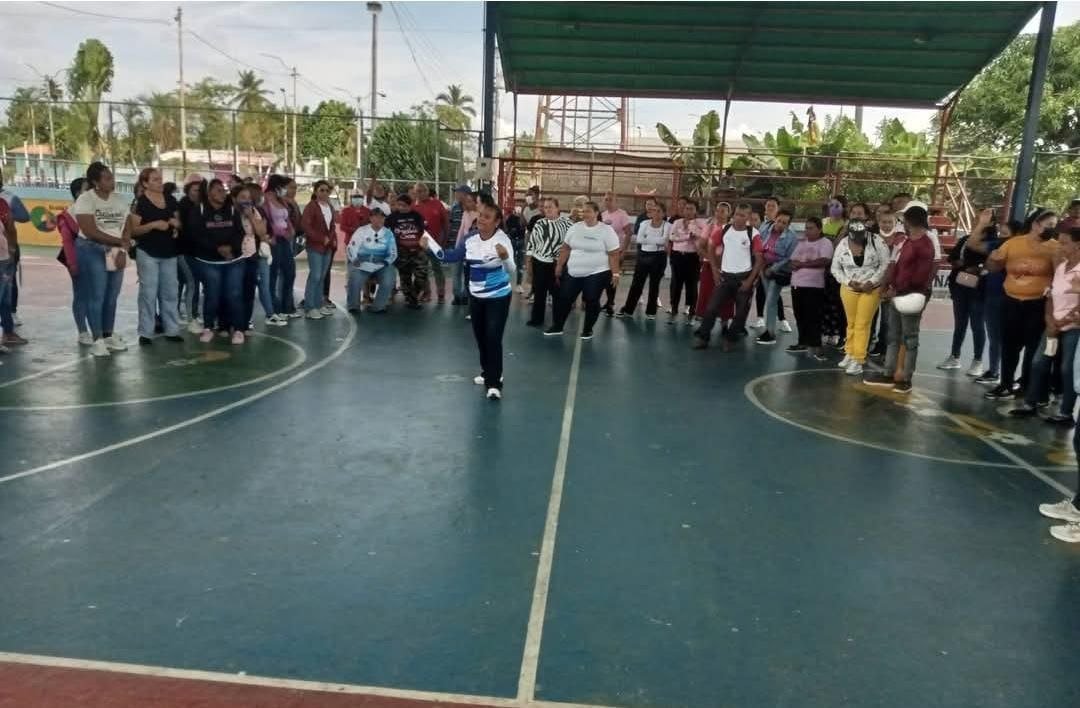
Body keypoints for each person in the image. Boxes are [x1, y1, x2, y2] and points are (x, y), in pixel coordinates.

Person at [425, 193, 516, 400]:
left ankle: (495, 383)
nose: (481, 219)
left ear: (497, 222)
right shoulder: (470, 240)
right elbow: (448, 257)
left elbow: (511, 269)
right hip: (476, 296)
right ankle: (487, 372)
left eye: (487, 217)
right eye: (481, 215)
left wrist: (504, 257)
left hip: (498, 296)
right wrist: (429, 247)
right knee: (481, 337)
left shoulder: (502, 240)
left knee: (493, 337)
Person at [983, 208, 1060, 400]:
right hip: (1011, 301)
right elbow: (993, 268)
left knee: (1033, 347)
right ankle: (1005, 384)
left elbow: (1061, 276)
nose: (1052, 229)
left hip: (1038, 304)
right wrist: (992, 259)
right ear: (1035, 224)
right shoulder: (1013, 243)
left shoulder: (1055, 247)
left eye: (1054, 226)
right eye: (1049, 225)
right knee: (1009, 345)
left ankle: (1026, 385)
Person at [1009, 227, 1080, 422]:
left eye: (1064, 243)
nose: (1060, 247)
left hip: (1073, 328)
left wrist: (1063, 321)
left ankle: (1066, 412)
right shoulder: (1061, 267)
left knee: (1067, 368)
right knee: (1039, 362)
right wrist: (1050, 321)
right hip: (1053, 326)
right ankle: (1030, 403)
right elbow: (1051, 296)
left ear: (1078, 245)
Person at [864, 205, 937, 393]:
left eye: (904, 220)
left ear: (911, 221)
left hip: (912, 295)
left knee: (909, 338)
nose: (902, 223)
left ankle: (905, 377)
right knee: (894, 336)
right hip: (899, 293)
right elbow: (895, 266)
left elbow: (920, 277)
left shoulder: (925, 244)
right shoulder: (907, 241)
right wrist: (887, 285)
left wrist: (895, 290)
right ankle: (889, 373)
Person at [72, 162, 131, 357]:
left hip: (116, 248)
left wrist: (123, 248)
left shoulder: (120, 199)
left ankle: (107, 335)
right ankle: (97, 339)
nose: (112, 181)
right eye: (107, 178)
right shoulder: (86, 199)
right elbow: (90, 231)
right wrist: (119, 242)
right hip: (91, 249)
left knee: (112, 296)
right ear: (96, 182)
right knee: (96, 295)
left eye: (112, 177)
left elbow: (127, 224)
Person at [691, 203, 763, 351]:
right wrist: (715, 270)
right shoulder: (724, 230)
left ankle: (730, 339)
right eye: (736, 214)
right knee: (711, 308)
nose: (738, 218)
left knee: (741, 313)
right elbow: (711, 246)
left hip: (743, 278)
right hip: (725, 276)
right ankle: (703, 337)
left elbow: (759, 259)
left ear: (748, 217)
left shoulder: (753, 234)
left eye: (742, 215)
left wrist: (750, 280)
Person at [546, 200, 620, 340]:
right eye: (583, 211)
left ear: (596, 213)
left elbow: (614, 253)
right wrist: (559, 265)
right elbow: (566, 248)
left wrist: (615, 273)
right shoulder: (575, 228)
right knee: (565, 298)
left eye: (588, 211)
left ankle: (587, 330)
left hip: (597, 272)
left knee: (591, 299)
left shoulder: (606, 230)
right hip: (573, 271)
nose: (585, 214)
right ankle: (558, 326)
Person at [129, 168, 183, 346]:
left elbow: (179, 223)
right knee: (148, 293)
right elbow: (134, 230)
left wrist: (176, 224)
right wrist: (152, 225)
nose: (160, 182)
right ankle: (146, 332)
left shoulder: (170, 200)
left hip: (169, 251)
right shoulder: (140, 203)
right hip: (148, 252)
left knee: (170, 292)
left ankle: (172, 329)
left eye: (160, 179)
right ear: (145, 183)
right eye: (155, 180)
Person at [830, 220, 891, 375]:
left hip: (871, 289)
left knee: (862, 324)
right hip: (849, 288)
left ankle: (858, 359)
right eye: (855, 237)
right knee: (851, 323)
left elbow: (886, 265)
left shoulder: (877, 241)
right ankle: (849, 352)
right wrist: (848, 282)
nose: (858, 239)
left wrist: (872, 282)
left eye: (861, 235)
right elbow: (835, 268)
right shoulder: (843, 244)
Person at [937, 211, 992, 376]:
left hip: (978, 289)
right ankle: (954, 356)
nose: (976, 222)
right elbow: (952, 257)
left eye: (980, 220)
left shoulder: (992, 241)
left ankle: (978, 361)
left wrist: (978, 268)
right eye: (975, 219)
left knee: (977, 325)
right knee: (960, 323)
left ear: (989, 223)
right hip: (960, 285)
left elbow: (990, 263)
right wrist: (958, 263)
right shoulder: (965, 239)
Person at [191, 179, 246, 344]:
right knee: (212, 295)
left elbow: (240, 232)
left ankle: (239, 330)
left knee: (234, 294)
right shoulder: (199, 210)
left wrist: (231, 248)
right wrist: (217, 248)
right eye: (218, 190)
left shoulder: (232, 209)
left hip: (233, 260)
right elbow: (196, 235)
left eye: (223, 190)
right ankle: (208, 327)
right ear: (209, 193)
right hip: (209, 261)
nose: (223, 193)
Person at [786, 217, 833, 360]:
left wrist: (802, 264)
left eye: (811, 228)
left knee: (813, 316)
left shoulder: (825, 243)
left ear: (819, 229)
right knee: (799, 315)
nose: (807, 231)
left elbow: (824, 260)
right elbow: (792, 260)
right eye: (806, 228)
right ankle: (802, 342)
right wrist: (793, 264)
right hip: (796, 283)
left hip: (814, 285)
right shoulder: (801, 243)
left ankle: (817, 345)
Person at [236, 185, 281, 328]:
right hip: (240, 255)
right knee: (241, 288)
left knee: (260, 285)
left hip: (257, 253)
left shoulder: (258, 211)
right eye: (244, 197)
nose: (248, 200)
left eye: (249, 197)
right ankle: (239, 319)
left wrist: (251, 216)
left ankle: (266, 314)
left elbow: (262, 232)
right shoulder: (234, 213)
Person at [618, 201, 670, 320]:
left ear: (663, 214)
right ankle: (628, 309)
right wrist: (657, 240)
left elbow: (664, 241)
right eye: (654, 210)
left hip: (659, 257)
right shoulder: (644, 223)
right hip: (643, 256)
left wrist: (649, 239)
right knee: (637, 283)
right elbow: (639, 239)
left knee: (654, 285)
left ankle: (651, 311)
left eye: (659, 211)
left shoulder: (667, 226)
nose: (656, 213)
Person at [525, 196, 571, 328]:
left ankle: (558, 322)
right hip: (539, 262)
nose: (547, 209)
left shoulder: (567, 224)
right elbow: (532, 243)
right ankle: (536, 319)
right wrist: (528, 262)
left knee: (557, 294)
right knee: (539, 292)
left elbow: (570, 245)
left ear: (557, 208)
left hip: (557, 264)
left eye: (550, 207)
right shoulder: (539, 223)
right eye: (545, 207)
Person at [55, 178, 91, 345]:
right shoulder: (68, 215)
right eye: (87, 189)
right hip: (78, 259)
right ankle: (82, 331)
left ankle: (100, 330)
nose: (92, 192)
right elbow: (67, 242)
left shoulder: (95, 210)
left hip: (96, 258)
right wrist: (72, 264)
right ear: (78, 193)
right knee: (81, 294)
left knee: (96, 295)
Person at [755, 209, 798, 345]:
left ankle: (770, 333)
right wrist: (761, 266)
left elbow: (788, 258)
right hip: (763, 267)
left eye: (784, 223)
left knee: (771, 300)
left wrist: (773, 268)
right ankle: (769, 331)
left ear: (788, 225)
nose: (780, 224)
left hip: (778, 271)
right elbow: (758, 246)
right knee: (771, 300)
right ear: (775, 219)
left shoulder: (792, 237)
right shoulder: (764, 229)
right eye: (779, 221)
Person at [346, 206, 397, 313]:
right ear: (370, 218)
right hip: (361, 260)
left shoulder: (388, 233)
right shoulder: (361, 231)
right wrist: (354, 260)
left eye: (382, 217)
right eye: (376, 217)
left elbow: (393, 253)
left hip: (381, 262)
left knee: (389, 278)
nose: (379, 220)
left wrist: (385, 262)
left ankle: (379, 306)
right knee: (355, 277)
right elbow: (351, 248)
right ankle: (353, 306)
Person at [299, 180, 337, 320]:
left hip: (327, 247)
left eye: (327, 190)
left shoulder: (330, 206)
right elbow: (305, 226)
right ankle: (309, 307)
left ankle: (319, 304)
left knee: (321, 276)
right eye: (321, 190)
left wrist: (330, 239)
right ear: (315, 192)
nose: (325, 193)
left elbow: (332, 226)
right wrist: (321, 238)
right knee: (315, 276)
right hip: (315, 246)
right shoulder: (311, 207)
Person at [263, 175, 299, 319]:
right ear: (276, 186)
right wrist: (280, 232)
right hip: (273, 240)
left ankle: (287, 307)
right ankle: (274, 309)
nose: (286, 190)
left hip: (284, 240)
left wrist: (291, 230)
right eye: (284, 186)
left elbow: (286, 218)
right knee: (272, 274)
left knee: (290, 271)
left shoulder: (281, 200)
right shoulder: (265, 200)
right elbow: (266, 221)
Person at [386, 193, 429, 309]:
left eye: (404, 205)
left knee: (422, 276)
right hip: (401, 252)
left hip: (418, 251)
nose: (401, 207)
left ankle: (413, 295)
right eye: (399, 205)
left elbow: (424, 232)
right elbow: (384, 232)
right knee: (405, 277)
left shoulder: (417, 216)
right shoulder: (392, 217)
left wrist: (424, 242)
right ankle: (411, 300)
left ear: (410, 205)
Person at [666, 200, 706, 325]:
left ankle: (691, 313)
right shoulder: (677, 222)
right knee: (676, 284)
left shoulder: (700, 223)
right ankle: (673, 311)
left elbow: (703, 236)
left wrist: (693, 230)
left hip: (693, 257)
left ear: (696, 211)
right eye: (686, 208)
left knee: (692, 285)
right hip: (678, 256)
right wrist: (687, 237)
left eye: (691, 209)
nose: (688, 211)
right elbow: (672, 237)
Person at [0, 173, 29, 329]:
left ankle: (11, 313)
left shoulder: (9, 198)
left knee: (8, 282)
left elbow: (25, 216)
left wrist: (8, 215)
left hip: (8, 246)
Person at [696, 201, 732, 324]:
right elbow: (700, 247)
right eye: (717, 211)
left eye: (722, 211)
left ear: (729, 213)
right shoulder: (710, 227)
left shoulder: (732, 228)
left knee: (726, 294)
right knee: (706, 292)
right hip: (709, 264)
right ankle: (704, 321)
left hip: (727, 265)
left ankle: (724, 321)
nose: (719, 213)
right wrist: (712, 261)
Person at [752, 196, 786, 329]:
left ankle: (782, 319)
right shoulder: (762, 224)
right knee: (760, 289)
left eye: (773, 206)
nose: (770, 208)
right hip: (761, 261)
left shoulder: (782, 224)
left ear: (778, 208)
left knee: (775, 290)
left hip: (775, 262)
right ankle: (760, 317)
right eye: (768, 205)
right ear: (765, 208)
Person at [177, 174, 205, 331]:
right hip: (184, 250)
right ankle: (190, 317)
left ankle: (191, 314)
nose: (197, 192)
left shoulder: (202, 206)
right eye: (194, 190)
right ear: (188, 190)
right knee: (191, 282)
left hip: (197, 252)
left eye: (200, 190)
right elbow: (185, 229)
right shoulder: (184, 205)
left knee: (192, 282)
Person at [413, 182, 449, 303]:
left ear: (428, 191)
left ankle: (441, 294)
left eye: (423, 191)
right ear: (415, 193)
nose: (421, 193)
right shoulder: (413, 206)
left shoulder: (437, 204)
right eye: (418, 191)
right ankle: (426, 293)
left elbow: (446, 223)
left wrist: (444, 241)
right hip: (420, 244)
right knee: (422, 269)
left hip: (436, 243)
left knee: (437, 268)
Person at [600, 192, 631, 316]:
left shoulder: (622, 214)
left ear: (616, 201)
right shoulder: (603, 215)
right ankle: (608, 302)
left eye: (610, 200)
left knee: (613, 277)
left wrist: (623, 250)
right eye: (606, 199)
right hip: (604, 252)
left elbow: (628, 233)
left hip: (616, 251)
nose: (607, 202)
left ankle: (610, 304)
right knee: (604, 277)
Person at [0, 193, 18, 351]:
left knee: (5, 299)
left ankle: (8, 333)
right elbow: (10, 229)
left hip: (4, 258)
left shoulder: (2, 204)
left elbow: (9, 229)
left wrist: (11, 250)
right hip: (3, 259)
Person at [448, 185, 471, 305]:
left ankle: (466, 295)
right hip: (455, 244)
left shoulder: (473, 209)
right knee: (455, 272)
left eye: (458, 192)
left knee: (468, 273)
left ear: (465, 194)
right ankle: (457, 296)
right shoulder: (455, 207)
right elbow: (450, 224)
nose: (456, 194)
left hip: (469, 247)